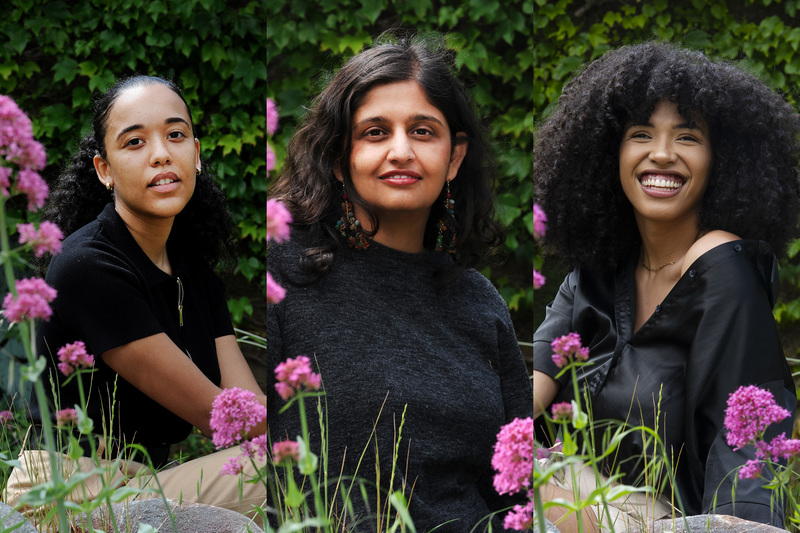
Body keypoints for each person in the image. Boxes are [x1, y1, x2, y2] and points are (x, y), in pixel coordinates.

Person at [267, 35, 533, 532]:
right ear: (339, 155)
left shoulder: (478, 301)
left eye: (423, 131)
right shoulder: (285, 274)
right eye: (374, 132)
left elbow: (517, 489)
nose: (401, 151)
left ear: (453, 158)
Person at [533, 41, 800, 532]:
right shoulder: (595, 275)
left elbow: (746, 444)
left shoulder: (722, 268)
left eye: (687, 137)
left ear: (721, 160)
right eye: (641, 134)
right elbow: (523, 396)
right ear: (608, 153)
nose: (661, 154)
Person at [2, 76, 267, 524]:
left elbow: (247, 405)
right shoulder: (87, 267)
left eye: (175, 135)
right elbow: (220, 417)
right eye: (135, 142)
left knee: (282, 458)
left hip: (139, 482)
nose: (161, 153)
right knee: (283, 465)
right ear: (104, 170)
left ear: (197, 154)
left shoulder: (193, 271)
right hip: (64, 489)